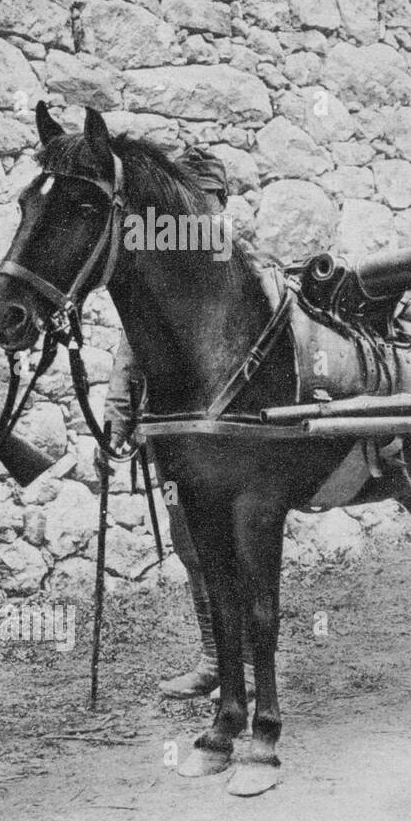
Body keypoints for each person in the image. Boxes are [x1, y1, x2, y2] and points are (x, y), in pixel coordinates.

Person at [99, 146, 252, 700]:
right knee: (192, 545)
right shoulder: (160, 274)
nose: (196, 218)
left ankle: (250, 673)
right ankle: (215, 660)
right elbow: (129, 346)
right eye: (190, 205)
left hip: (233, 435)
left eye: (208, 204)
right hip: (169, 429)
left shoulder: (242, 270)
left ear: (223, 204)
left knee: (240, 546)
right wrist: (119, 415)